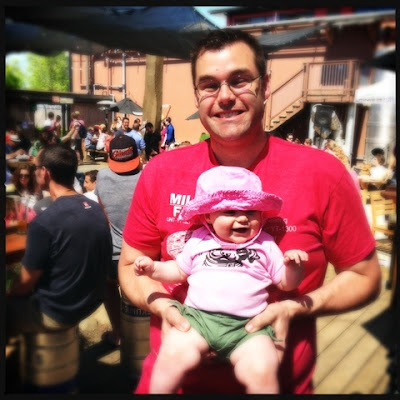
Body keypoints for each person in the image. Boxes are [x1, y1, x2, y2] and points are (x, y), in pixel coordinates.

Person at [119, 29, 380, 394]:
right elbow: (130, 266)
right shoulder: (161, 170)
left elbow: (364, 275)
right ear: (197, 95)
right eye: (209, 85)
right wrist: (164, 306)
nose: (225, 96)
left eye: (239, 80)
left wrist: (298, 307)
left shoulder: (322, 172)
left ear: (265, 85)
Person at [134, 166, 308, 394]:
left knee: (263, 369)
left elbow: (285, 283)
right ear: (208, 216)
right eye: (230, 212)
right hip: (197, 320)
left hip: (248, 327)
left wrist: (293, 267)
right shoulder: (199, 240)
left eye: (251, 212)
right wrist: (153, 269)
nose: (243, 218)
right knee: (171, 357)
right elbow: (178, 270)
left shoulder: (265, 244)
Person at [6, 144, 112, 339]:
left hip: (57, 312)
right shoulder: (96, 208)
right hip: (91, 301)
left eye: (36, 168)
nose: (34, 172)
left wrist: (9, 294)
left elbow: (24, 285)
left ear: (45, 173)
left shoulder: (44, 222)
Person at [94, 134, 143, 346]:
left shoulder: (102, 176)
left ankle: (118, 333)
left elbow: (104, 214)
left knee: (108, 285)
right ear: (138, 156)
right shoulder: (147, 175)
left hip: (114, 252)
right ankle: (143, 335)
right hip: (144, 252)